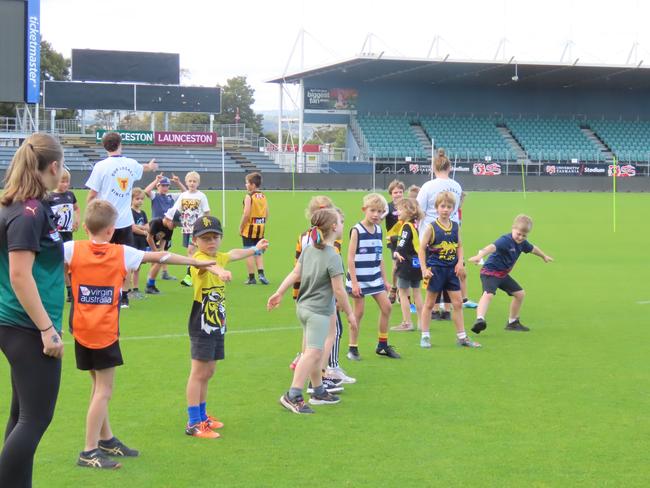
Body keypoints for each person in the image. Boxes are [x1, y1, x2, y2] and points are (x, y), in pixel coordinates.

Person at [67, 200, 215, 468]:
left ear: (85, 227)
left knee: (97, 387)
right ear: (112, 230)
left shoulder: (70, 249)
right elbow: (161, 256)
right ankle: (88, 451)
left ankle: (106, 439)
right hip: (104, 331)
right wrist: (195, 261)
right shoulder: (121, 252)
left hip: (79, 328)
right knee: (104, 390)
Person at [0, 133, 65, 487]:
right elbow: (19, 274)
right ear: (53, 166)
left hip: (17, 324)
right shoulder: (27, 210)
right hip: (26, 327)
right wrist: (46, 329)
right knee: (36, 420)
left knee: (22, 416)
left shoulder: (20, 205)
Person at [184, 216, 268, 437]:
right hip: (201, 321)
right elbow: (208, 267)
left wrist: (255, 250)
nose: (211, 242)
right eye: (205, 239)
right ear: (195, 241)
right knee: (198, 372)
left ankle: (203, 416)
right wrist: (220, 271)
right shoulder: (197, 260)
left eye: (215, 237)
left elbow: (233, 254)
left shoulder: (219, 256)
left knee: (209, 371)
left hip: (217, 321)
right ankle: (193, 422)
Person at [268, 208, 357, 414]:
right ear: (334, 227)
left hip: (303, 307)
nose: (343, 226)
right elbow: (338, 289)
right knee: (313, 352)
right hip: (318, 311)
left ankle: (318, 390)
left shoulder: (309, 250)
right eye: (341, 223)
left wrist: (279, 292)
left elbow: (295, 273)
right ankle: (293, 395)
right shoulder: (333, 256)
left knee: (313, 350)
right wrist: (350, 314)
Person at [85, 131, 158, 309]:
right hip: (124, 222)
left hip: (105, 221)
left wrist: (89, 216)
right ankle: (123, 297)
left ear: (104, 146)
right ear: (120, 144)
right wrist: (149, 166)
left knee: (101, 259)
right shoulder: (130, 164)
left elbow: (92, 194)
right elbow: (142, 168)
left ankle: (103, 294)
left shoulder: (100, 166)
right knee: (124, 260)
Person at [290, 197, 355, 386]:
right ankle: (323, 373)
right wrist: (346, 308)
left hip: (304, 294)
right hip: (321, 297)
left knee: (310, 338)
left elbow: (297, 269)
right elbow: (334, 280)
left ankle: (315, 377)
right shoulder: (329, 244)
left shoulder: (305, 236)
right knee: (330, 334)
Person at [416, 148, 477, 313]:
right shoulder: (456, 185)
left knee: (434, 269)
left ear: (433, 168)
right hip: (452, 231)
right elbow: (456, 209)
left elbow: (418, 210)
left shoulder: (428, 186)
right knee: (450, 268)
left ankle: (434, 308)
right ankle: (448, 307)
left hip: (431, 233)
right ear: (449, 168)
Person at [469, 214, 553, 334]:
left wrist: (543, 256)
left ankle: (512, 322)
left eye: (524, 235)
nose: (520, 237)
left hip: (502, 275)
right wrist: (479, 256)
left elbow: (533, 248)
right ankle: (480, 320)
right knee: (488, 294)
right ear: (513, 229)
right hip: (490, 272)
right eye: (518, 234)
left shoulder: (523, 243)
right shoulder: (505, 240)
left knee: (520, 294)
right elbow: (492, 247)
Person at [417, 192, 481, 349]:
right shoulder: (431, 228)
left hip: (452, 271)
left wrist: (460, 262)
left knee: (458, 303)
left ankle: (462, 337)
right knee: (430, 303)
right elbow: (421, 249)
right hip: (435, 271)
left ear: (453, 209)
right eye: (442, 206)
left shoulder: (455, 226)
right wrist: (424, 269)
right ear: (436, 208)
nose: (445, 209)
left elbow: (459, 246)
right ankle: (425, 336)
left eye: (449, 207)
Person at [345, 193, 400, 360]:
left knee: (387, 307)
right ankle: (352, 348)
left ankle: (382, 345)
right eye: (372, 210)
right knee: (359, 312)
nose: (376, 214)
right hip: (359, 279)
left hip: (374, 278)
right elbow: (350, 258)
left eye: (380, 211)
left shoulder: (378, 230)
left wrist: (384, 280)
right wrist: (354, 283)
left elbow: (380, 256)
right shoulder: (357, 230)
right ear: (364, 210)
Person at [167, 171, 210, 287]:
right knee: (193, 252)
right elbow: (176, 210)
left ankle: (189, 276)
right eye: (190, 181)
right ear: (186, 182)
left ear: (198, 183)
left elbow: (206, 212)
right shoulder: (183, 195)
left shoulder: (201, 196)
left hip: (197, 228)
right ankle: (202, 272)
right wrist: (170, 220)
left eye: (194, 181)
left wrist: (205, 226)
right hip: (186, 228)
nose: (192, 183)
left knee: (191, 251)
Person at [144, 173, 187, 281]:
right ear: (158, 186)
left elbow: (185, 194)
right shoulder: (155, 195)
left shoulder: (171, 196)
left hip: (168, 228)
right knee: (154, 251)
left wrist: (178, 183)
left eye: (167, 185)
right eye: (162, 185)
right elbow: (146, 191)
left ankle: (164, 272)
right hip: (156, 226)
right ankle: (152, 274)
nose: (165, 188)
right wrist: (156, 180)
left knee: (165, 249)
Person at [390, 198, 424, 332]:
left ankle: (407, 322)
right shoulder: (416, 224)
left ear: (408, 212)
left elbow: (403, 241)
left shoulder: (406, 226)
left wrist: (397, 252)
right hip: (417, 263)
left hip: (406, 263)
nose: (397, 212)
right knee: (417, 292)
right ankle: (422, 322)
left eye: (399, 209)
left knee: (403, 292)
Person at [46, 167, 80, 302]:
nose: (65, 185)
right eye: (62, 182)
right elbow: (46, 215)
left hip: (68, 234)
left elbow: (76, 208)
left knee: (68, 263)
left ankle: (70, 291)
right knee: (58, 263)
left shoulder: (70, 195)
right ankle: (56, 290)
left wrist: (77, 219)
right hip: (55, 235)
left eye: (67, 182)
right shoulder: (50, 197)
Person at [239, 172, 269, 285]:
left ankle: (251, 278)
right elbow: (267, 213)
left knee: (249, 252)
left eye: (247, 183)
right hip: (260, 228)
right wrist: (262, 222)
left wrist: (241, 227)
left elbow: (246, 214)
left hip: (249, 228)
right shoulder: (263, 196)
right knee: (259, 251)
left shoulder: (249, 196)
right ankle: (261, 274)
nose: (246, 185)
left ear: (252, 184)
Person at [145, 210, 182, 294]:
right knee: (134, 267)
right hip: (141, 244)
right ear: (168, 218)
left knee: (160, 260)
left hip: (151, 246)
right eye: (174, 224)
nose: (175, 227)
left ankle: (150, 285)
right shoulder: (156, 222)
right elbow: (149, 238)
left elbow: (163, 242)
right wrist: (156, 252)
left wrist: (161, 254)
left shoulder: (169, 229)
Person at [384, 179, 405, 304]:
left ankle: (403, 292)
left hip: (407, 239)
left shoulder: (407, 205)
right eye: (395, 192)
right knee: (396, 265)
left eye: (400, 192)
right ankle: (393, 288)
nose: (398, 194)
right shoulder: (388, 207)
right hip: (393, 240)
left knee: (407, 265)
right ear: (391, 193)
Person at [128, 187, 148, 299]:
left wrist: (142, 228)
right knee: (130, 266)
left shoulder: (143, 213)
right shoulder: (130, 212)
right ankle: (128, 288)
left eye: (141, 199)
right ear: (131, 200)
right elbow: (132, 228)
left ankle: (135, 288)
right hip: (133, 240)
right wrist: (144, 232)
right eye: (137, 199)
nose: (140, 201)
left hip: (141, 242)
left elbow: (148, 226)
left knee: (138, 266)